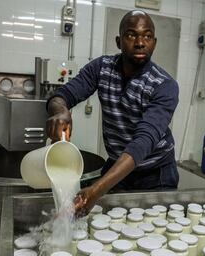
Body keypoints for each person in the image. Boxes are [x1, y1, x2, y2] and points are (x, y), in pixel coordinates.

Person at [46, 10, 179, 217]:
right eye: (131, 34)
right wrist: (60, 111)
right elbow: (62, 95)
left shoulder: (164, 85)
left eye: (147, 36)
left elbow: (142, 142)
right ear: (119, 41)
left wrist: (96, 190)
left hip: (156, 175)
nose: (140, 42)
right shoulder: (101, 68)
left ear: (154, 42)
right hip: (118, 168)